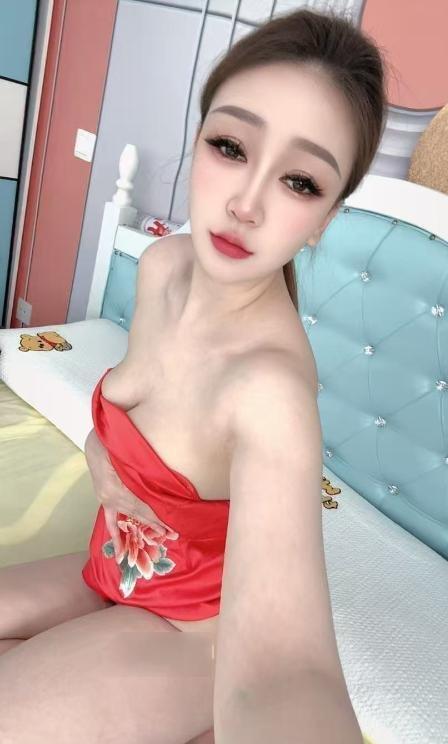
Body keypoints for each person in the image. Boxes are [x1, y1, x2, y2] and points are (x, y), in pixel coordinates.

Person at [0, 7, 387, 743]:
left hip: (188, 633)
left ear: (326, 218)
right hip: (109, 572)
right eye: (231, 146)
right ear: (199, 137)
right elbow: (125, 424)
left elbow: (285, 670)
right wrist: (103, 469)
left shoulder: (269, 391)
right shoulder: (161, 266)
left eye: (300, 181)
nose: (246, 203)